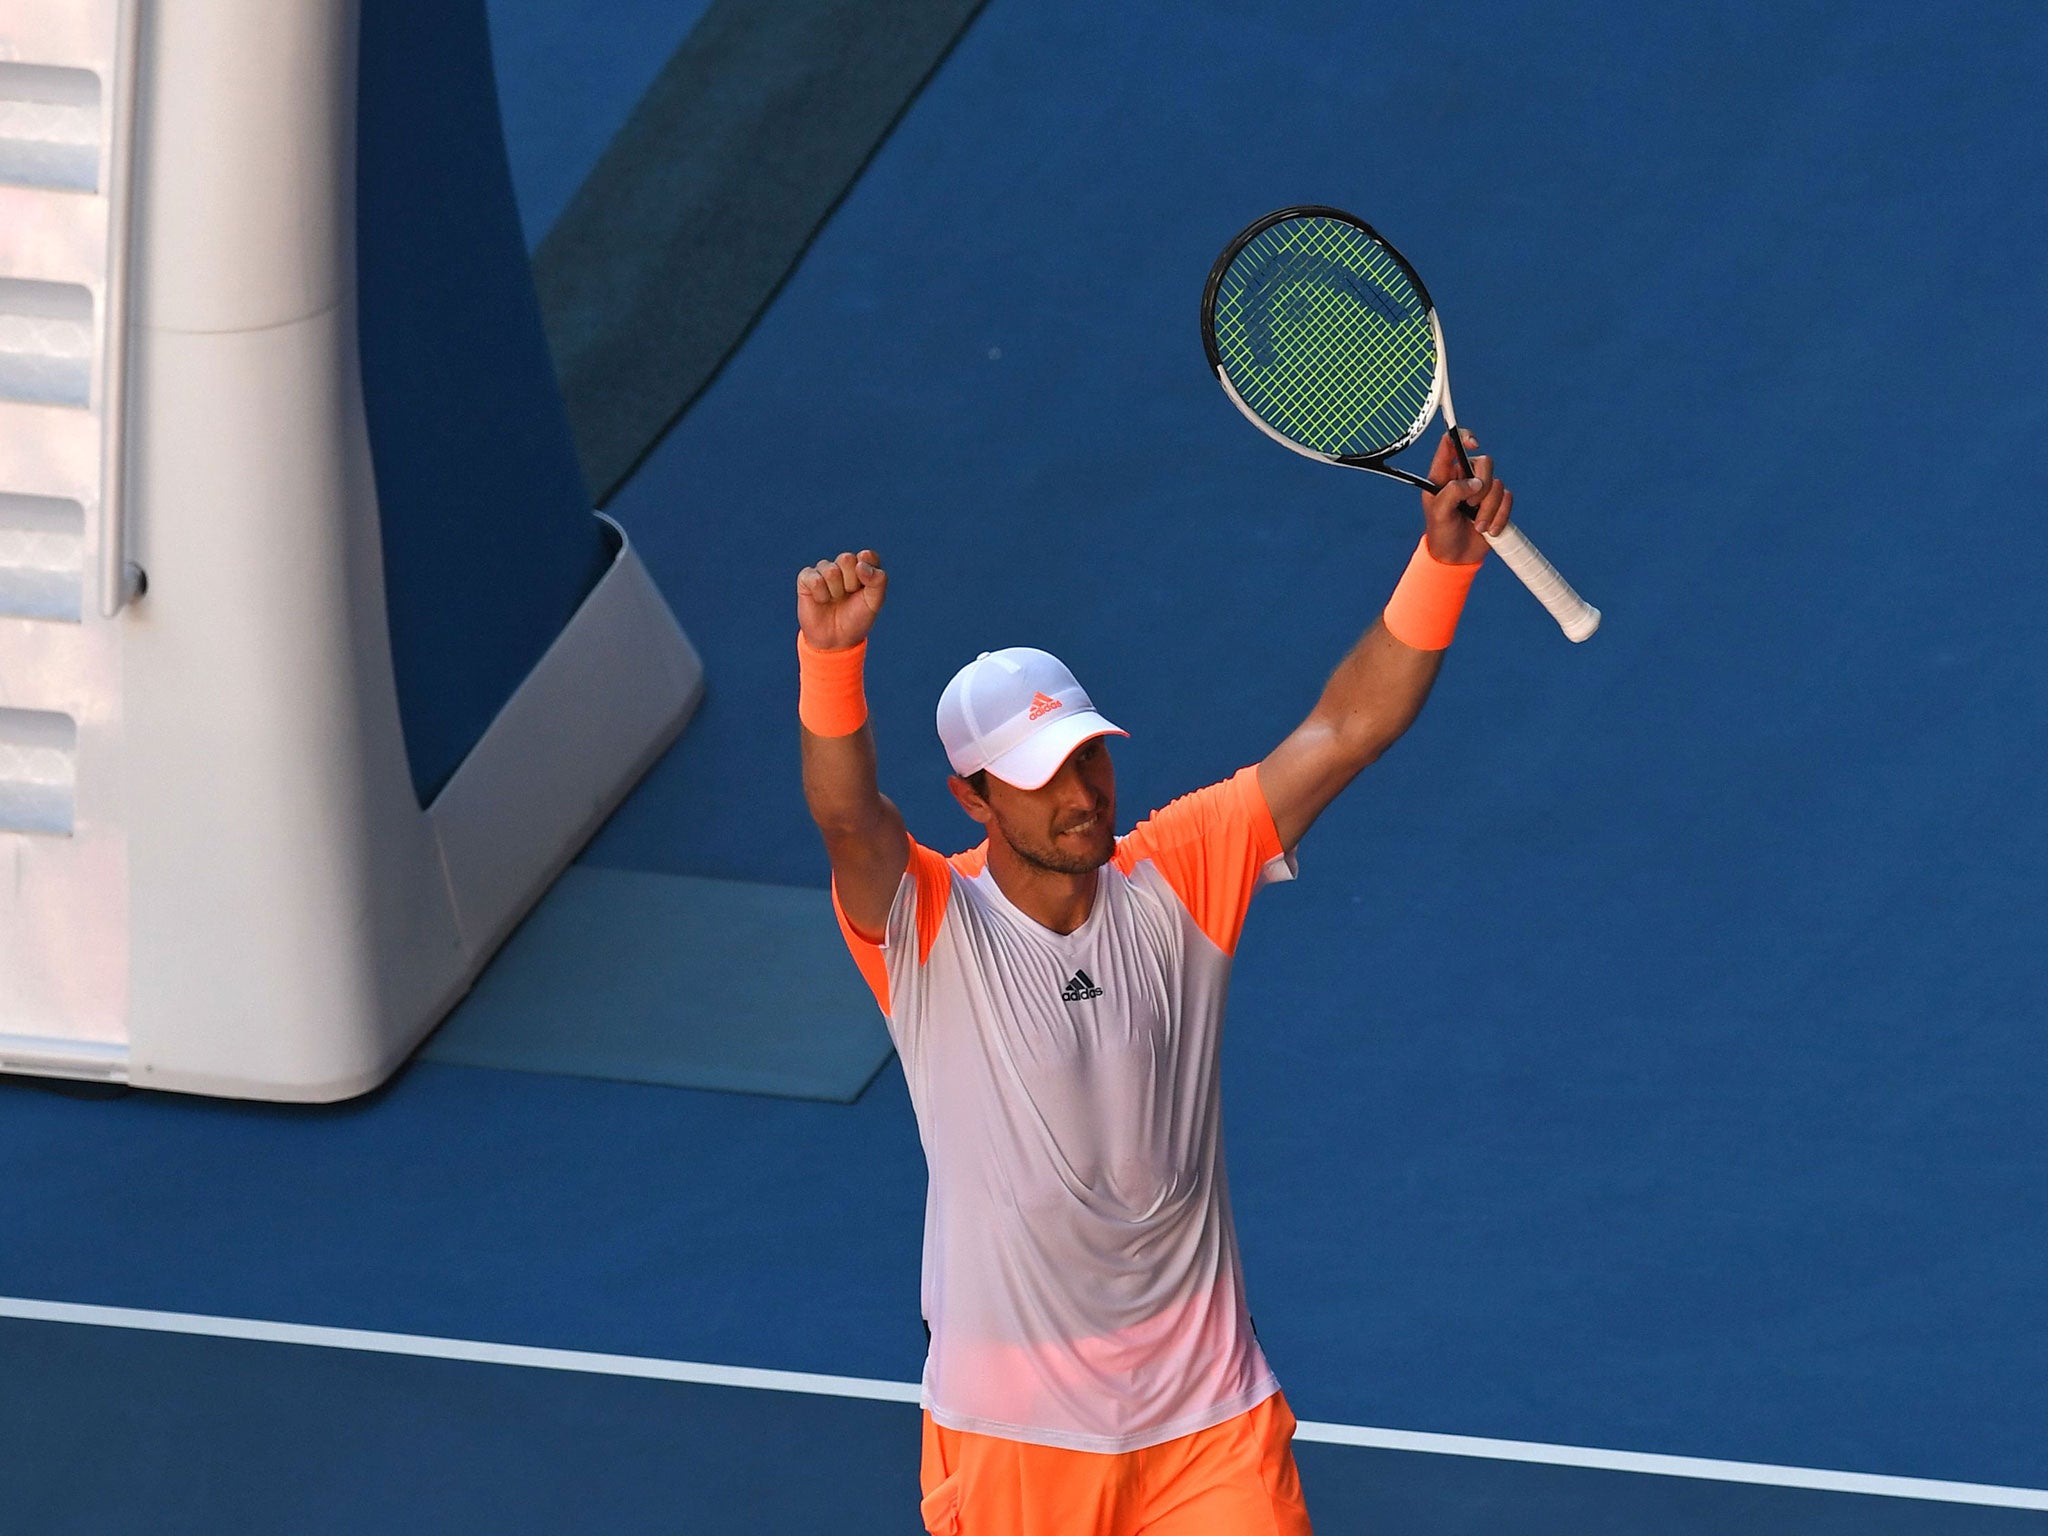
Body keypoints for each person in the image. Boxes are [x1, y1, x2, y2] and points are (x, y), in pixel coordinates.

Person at [796, 431, 1512, 1536]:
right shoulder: (925, 926)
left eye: (1087, 754)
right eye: (1039, 779)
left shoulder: (1177, 869)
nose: (1080, 792)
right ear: (970, 799)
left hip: (1207, 1420)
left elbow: (1343, 730)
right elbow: (849, 818)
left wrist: (1441, 563)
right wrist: (830, 665)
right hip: (1013, 1438)